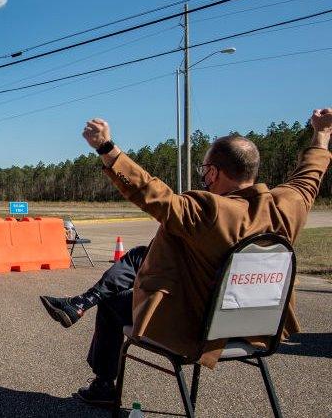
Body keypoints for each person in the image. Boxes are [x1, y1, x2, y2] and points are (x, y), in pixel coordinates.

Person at [39, 109, 332, 407]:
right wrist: (321, 134)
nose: (204, 175)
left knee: (115, 304)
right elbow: (309, 176)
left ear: (215, 173)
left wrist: (106, 148)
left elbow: (150, 192)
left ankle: (103, 385)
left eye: (205, 168)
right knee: (141, 255)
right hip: (259, 330)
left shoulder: (208, 210)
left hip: (195, 330)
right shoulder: (289, 206)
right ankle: (80, 305)